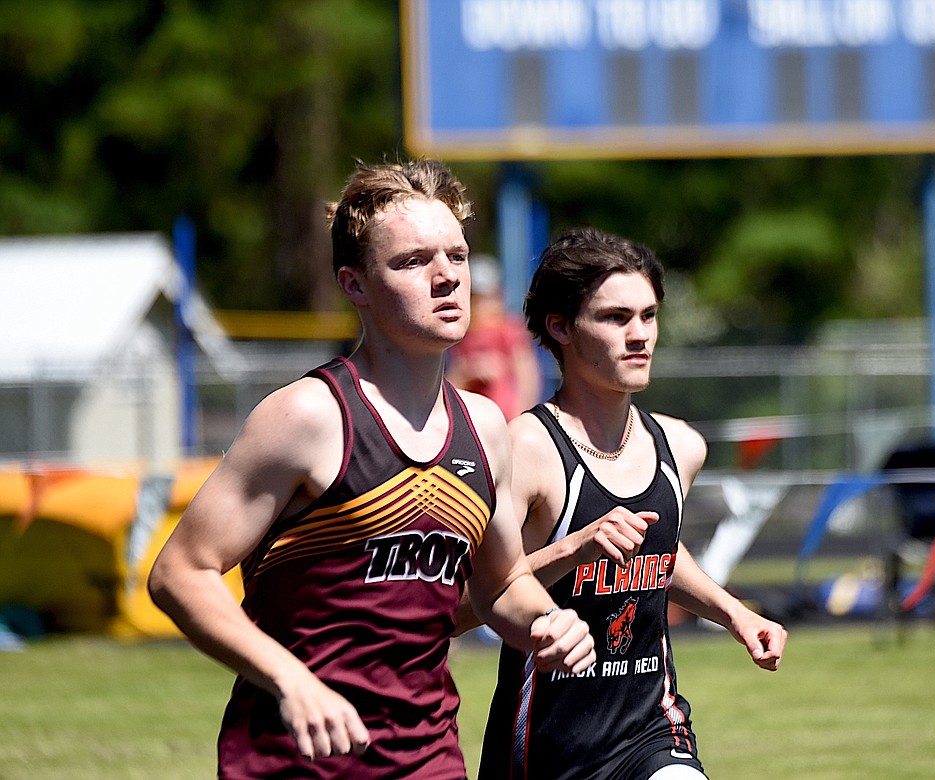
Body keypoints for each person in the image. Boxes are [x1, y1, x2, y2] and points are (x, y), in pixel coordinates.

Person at [148, 159, 595, 779]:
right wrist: (290, 680)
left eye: (457, 257)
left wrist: (547, 622)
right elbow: (179, 572)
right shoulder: (307, 416)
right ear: (354, 284)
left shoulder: (487, 429)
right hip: (297, 761)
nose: (446, 278)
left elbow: (499, 585)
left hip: (430, 760)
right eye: (413, 262)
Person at [470, 226, 789, 780]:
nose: (640, 335)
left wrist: (736, 614)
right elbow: (467, 605)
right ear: (560, 327)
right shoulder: (523, 449)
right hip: (546, 751)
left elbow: (661, 553)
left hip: (652, 733)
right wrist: (573, 548)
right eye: (616, 318)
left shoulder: (681, 448)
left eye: (649, 315)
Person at [447, 254, 541, 420]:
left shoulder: (509, 330)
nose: (482, 305)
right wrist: (470, 372)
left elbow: (526, 373)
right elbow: (452, 381)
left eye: (488, 297)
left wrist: (522, 413)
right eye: (476, 299)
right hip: (472, 419)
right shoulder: (461, 334)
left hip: (506, 416)